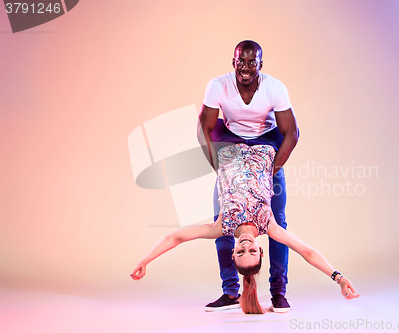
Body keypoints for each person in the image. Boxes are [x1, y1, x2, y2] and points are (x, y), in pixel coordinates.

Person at [131, 143, 360, 314]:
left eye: (240, 253)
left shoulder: (222, 227)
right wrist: (338, 278)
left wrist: (145, 261)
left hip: (230, 145)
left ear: (233, 252)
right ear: (261, 252)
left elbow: (176, 236)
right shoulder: (268, 226)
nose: (246, 247)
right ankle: (272, 293)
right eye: (252, 252)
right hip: (264, 146)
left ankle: (247, 294)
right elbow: (306, 251)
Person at [197, 40, 298, 312]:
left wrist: (269, 172)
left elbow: (292, 133)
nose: (245, 67)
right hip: (231, 147)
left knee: (279, 224)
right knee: (222, 222)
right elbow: (204, 129)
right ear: (233, 63)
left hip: (266, 149)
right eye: (240, 62)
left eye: (251, 62)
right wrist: (220, 170)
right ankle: (231, 292)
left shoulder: (274, 87)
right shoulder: (218, 85)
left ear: (260, 65)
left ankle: (278, 291)